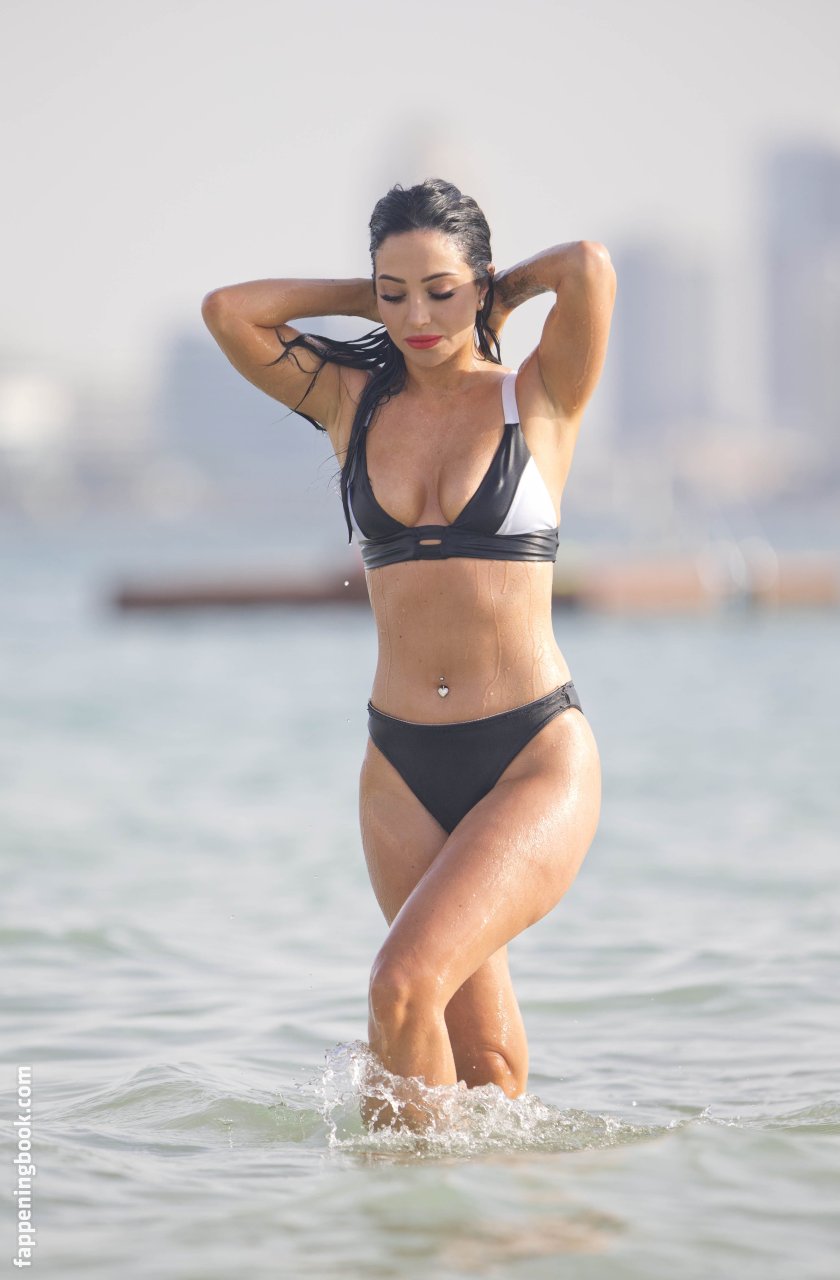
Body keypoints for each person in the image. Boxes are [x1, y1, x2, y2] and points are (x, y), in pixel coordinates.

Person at [201, 178, 617, 1130]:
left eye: (439, 291)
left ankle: (404, 1204)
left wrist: (496, 296)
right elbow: (228, 312)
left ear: (478, 282)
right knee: (486, 1064)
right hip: (399, 768)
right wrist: (370, 299)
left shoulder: (537, 398)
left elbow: (587, 268)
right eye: (394, 294)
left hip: (530, 755)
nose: (416, 318)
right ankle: (482, 1209)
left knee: (400, 984)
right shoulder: (350, 403)